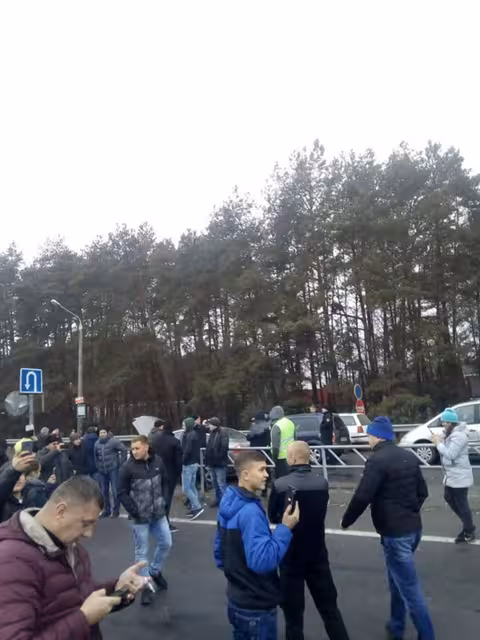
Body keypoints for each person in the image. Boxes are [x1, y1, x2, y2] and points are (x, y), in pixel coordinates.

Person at [0, 475, 147, 639]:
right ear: (61, 511)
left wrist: (117, 588)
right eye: (85, 523)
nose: (89, 534)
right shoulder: (11, 562)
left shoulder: (70, 545)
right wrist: (83, 619)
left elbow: (77, 598)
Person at [341, 416, 435, 640]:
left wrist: (347, 521)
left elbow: (362, 495)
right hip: (413, 529)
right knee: (397, 580)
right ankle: (396, 625)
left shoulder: (377, 461)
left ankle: (427, 635)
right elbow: (423, 492)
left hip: (395, 533)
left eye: (369, 435)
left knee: (410, 589)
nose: (368, 439)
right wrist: (410, 510)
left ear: (377, 436)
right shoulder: (408, 456)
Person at [268, 441, 350, 640]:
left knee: (293, 618)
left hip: (290, 556)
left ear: (292, 459)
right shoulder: (322, 483)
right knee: (330, 610)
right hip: (317, 554)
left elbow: (273, 516)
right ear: (309, 457)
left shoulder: (280, 485)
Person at [215, 450, 300, 640]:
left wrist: (238, 576)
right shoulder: (251, 511)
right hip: (256, 605)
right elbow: (262, 562)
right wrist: (285, 528)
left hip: (236, 599)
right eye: (261, 470)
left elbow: (219, 553)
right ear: (245, 475)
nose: (266, 475)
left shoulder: (228, 501)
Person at [118, 435, 172, 606]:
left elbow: (166, 482)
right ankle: (145, 586)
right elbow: (121, 492)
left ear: (146, 447)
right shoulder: (127, 468)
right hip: (139, 518)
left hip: (158, 514)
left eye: (137, 448)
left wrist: (164, 501)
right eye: (132, 449)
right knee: (142, 552)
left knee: (166, 543)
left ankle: (154, 571)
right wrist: (134, 510)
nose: (134, 452)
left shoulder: (158, 462)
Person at [432, 408, 476, 543]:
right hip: (452, 476)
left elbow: (451, 454)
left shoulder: (459, 436)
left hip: (460, 476)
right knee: (448, 497)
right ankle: (468, 524)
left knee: (461, 503)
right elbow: (445, 442)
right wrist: (440, 438)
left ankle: (468, 530)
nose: (443, 425)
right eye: (443, 422)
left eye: (445, 422)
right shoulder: (450, 433)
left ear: (452, 423)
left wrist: (438, 443)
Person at [150, 419, 183, 530]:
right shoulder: (175, 442)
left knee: (157, 496)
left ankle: (155, 519)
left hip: (156, 472)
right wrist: (178, 474)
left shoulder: (155, 440)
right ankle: (164, 522)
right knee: (167, 498)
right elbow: (178, 461)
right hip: (170, 474)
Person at [94, 428, 127, 518]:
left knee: (115, 490)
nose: (102, 434)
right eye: (101, 432)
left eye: (104, 432)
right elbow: (95, 456)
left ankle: (116, 510)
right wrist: (98, 466)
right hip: (102, 470)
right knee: (104, 491)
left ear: (107, 433)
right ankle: (106, 510)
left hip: (113, 469)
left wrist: (121, 463)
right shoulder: (96, 443)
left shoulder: (113, 441)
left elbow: (124, 450)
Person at [0, 451, 36, 522]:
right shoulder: (3, 502)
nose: (17, 479)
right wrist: (14, 471)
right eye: (16, 476)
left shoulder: (32, 498)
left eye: (21, 475)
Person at [181, 417, 204, 520]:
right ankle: (195, 507)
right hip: (194, 463)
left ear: (188, 425)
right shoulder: (193, 434)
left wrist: (182, 461)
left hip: (188, 464)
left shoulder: (189, 435)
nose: (182, 426)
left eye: (184, 424)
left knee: (186, 488)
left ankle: (197, 507)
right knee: (192, 486)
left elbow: (187, 450)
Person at [205, 417, 229, 507]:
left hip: (219, 463)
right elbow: (209, 447)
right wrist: (207, 460)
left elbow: (224, 447)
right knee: (214, 483)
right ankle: (217, 499)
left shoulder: (223, 433)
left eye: (210, 424)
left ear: (215, 425)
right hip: (212, 462)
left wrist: (218, 456)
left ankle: (225, 502)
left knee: (221, 483)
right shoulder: (212, 433)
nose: (209, 426)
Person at [270, 406, 295, 479]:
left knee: (282, 480)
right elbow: (295, 439)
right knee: (291, 478)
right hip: (292, 456)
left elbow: (275, 446)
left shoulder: (276, 426)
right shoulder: (290, 423)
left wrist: (274, 458)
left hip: (281, 458)